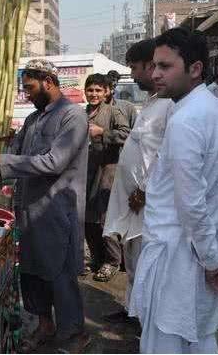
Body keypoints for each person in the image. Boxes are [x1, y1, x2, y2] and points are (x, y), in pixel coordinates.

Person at [129, 27, 218, 353]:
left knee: (169, 343)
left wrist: (212, 263)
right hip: (206, 252)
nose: (154, 74)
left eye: (165, 67)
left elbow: (191, 203)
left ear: (195, 69)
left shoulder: (186, 120)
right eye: (153, 65)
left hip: (180, 261)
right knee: (201, 341)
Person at [0, 59, 89, 351]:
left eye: (30, 87)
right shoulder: (32, 120)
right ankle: (45, 326)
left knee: (59, 272)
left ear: (48, 81)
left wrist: (1, 162)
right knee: (32, 272)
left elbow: (54, 162)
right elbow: (14, 155)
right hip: (28, 208)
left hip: (58, 209)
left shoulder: (72, 117)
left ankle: (74, 334)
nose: (27, 94)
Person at [103, 39, 173, 324]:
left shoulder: (170, 105)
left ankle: (147, 321)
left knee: (147, 264)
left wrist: (144, 189)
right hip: (134, 203)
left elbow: (165, 154)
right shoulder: (154, 102)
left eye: (134, 67)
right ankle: (133, 310)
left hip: (149, 203)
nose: (132, 74)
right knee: (132, 261)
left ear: (150, 65)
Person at [84, 73, 130, 282]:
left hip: (108, 170)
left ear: (105, 93)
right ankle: (96, 258)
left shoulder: (113, 111)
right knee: (87, 219)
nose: (93, 94)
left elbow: (127, 135)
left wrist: (103, 132)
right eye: (90, 90)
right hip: (86, 171)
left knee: (105, 218)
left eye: (98, 90)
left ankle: (112, 261)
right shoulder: (80, 113)